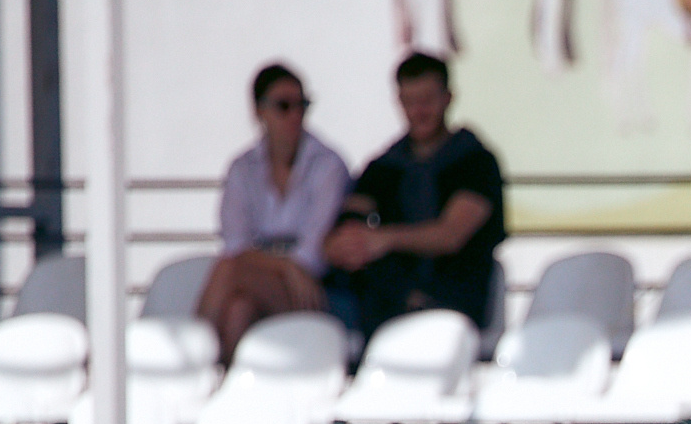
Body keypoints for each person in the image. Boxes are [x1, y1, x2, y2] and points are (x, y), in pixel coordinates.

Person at [323, 52, 507, 340]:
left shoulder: (475, 162)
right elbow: (345, 226)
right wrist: (351, 243)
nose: (419, 111)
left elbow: (450, 235)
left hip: (456, 302)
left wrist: (384, 239)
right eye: (410, 102)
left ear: (448, 97)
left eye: (427, 100)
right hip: (388, 306)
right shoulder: (384, 167)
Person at [197, 64, 352, 364]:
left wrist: (282, 266)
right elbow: (235, 243)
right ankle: (231, 392)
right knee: (237, 310)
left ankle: (193, 368)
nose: (295, 116)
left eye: (302, 106)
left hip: (316, 291)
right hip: (272, 285)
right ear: (259, 112)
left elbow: (311, 256)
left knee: (229, 271)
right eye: (283, 106)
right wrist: (285, 267)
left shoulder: (327, 164)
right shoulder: (242, 168)